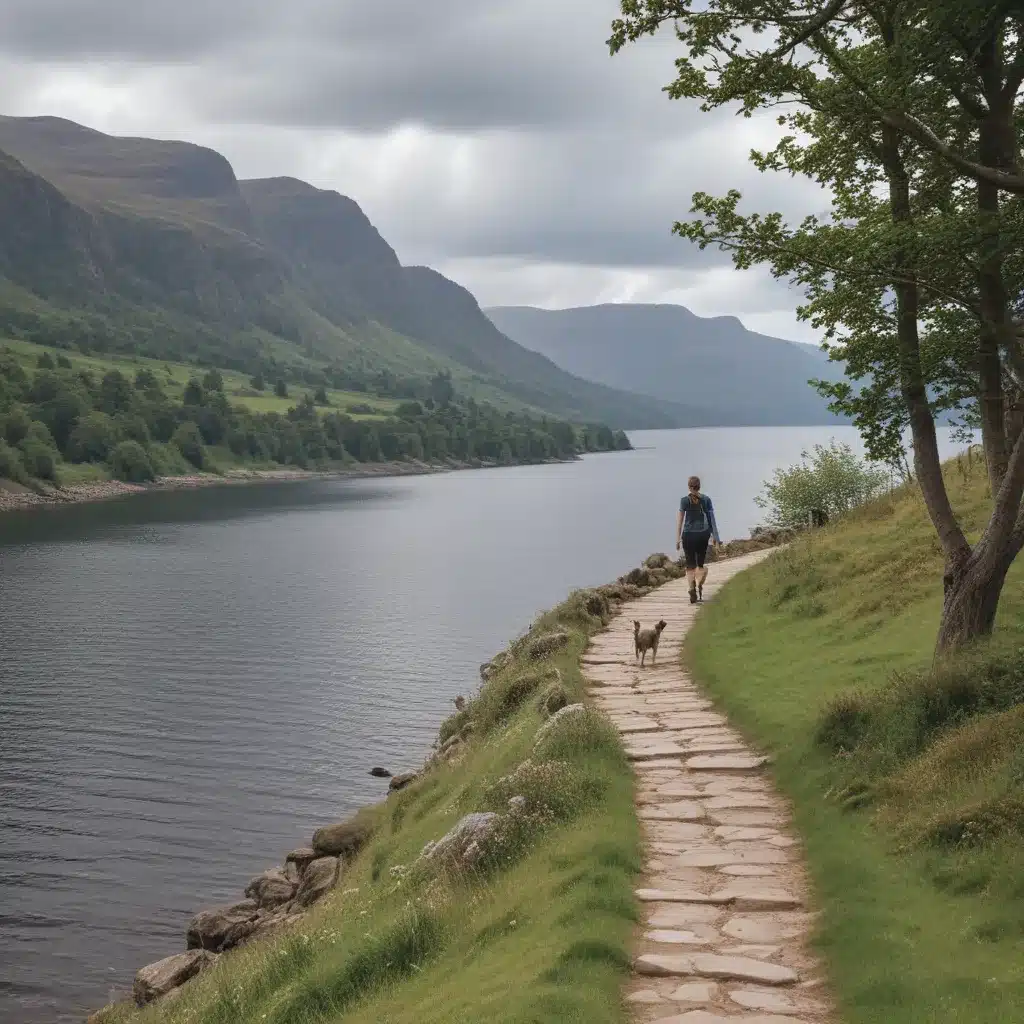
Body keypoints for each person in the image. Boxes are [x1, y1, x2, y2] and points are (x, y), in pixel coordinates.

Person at [675, 475, 721, 604]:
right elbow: (712, 520)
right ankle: (699, 583)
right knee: (700, 565)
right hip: (702, 534)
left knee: (690, 565)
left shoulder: (684, 500)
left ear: (689, 487)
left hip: (688, 535)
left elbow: (680, 520)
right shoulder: (706, 500)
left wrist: (678, 539)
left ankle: (691, 588)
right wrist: (716, 538)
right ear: (699, 486)